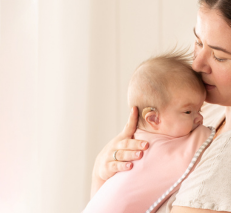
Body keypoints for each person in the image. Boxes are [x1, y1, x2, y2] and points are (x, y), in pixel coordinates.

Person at [90, 0, 231, 212]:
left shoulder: (230, 169)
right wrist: (103, 175)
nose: (197, 64)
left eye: (219, 57)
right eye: (198, 42)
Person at [84, 51, 214, 213]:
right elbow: (195, 152)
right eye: (188, 112)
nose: (199, 118)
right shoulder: (144, 146)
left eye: (199, 109)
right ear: (154, 119)